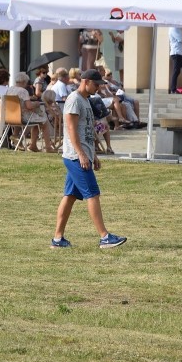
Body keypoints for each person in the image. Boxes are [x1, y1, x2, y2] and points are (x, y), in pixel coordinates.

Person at [50, 69, 126, 250]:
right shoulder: (74, 100)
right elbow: (71, 130)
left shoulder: (85, 100)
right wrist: (82, 155)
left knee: (69, 196)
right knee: (92, 193)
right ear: (85, 81)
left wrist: (93, 154)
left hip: (83, 155)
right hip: (75, 157)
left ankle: (58, 239)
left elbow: (87, 131)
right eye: (96, 84)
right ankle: (105, 237)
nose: (99, 88)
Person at [8, 72, 56, 153]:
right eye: (26, 83)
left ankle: (32, 145)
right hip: (23, 117)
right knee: (44, 122)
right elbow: (29, 106)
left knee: (38, 120)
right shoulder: (23, 91)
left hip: (11, 115)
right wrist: (36, 103)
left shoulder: (10, 89)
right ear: (23, 82)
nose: (26, 85)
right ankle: (48, 147)